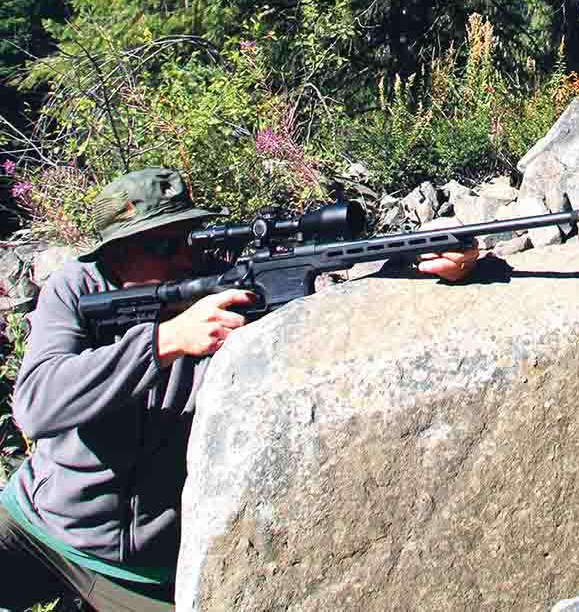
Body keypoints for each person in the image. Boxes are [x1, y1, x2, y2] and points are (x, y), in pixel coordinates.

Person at [0, 168, 478, 611]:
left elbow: (331, 315)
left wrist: (416, 270)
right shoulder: (76, 289)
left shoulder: (225, 288)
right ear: (115, 251)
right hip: (38, 524)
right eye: (163, 248)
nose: (185, 257)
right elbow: (37, 405)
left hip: (141, 573)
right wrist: (165, 341)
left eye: (188, 239)